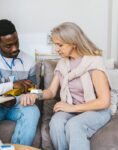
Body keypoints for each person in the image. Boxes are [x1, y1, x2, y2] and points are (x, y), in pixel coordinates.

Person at [20, 22, 112, 150]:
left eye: (60, 45)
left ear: (73, 42)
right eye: (55, 45)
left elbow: (104, 101)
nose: (56, 49)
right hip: (72, 109)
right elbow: (51, 92)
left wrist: (71, 108)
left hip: (96, 110)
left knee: (74, 124)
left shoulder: (93, 62)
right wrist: (34, 94)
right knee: (56, 123)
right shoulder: (62, 64)